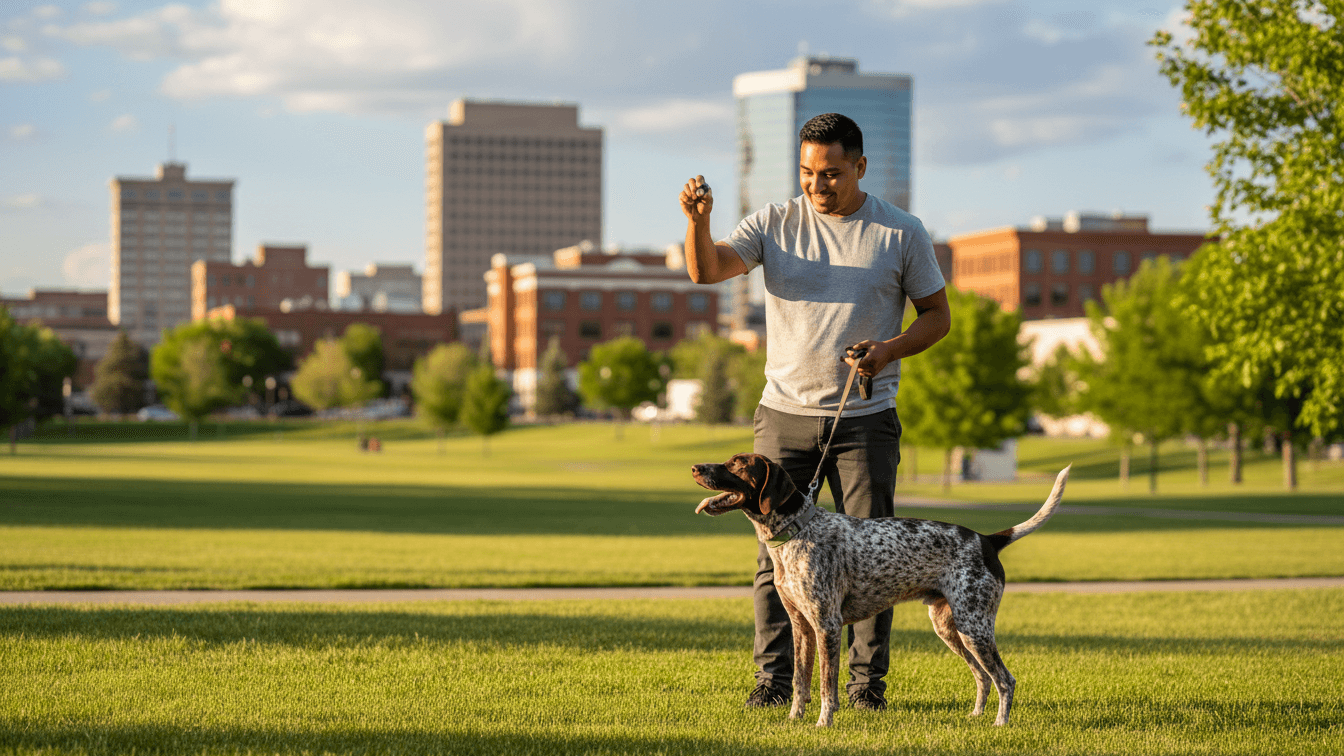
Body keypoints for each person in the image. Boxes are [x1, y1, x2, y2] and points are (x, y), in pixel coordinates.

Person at [678, 112, 950, 711]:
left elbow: (937, 316)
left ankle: (864, 689)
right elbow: (707, 271)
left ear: (859, 167)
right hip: (783, 416)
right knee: (772, 555)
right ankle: (774, 684)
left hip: (865, 419)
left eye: (830, 173)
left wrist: (889, 350)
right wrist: (698, 224)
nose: (816, 185)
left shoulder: (901, 232)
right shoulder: (774, 222)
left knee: (877, 558)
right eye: (806, 172)